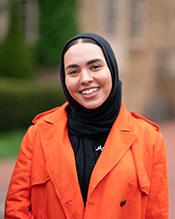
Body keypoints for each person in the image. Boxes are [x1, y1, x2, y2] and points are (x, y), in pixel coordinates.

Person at [5, 33, 168, 219]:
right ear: (64, 79)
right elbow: (16, 210)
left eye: (95, 67)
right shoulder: (38, 134)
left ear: (112, 70)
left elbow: (156, 214)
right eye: (73, 71)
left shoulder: (149, 139)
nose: (85, 78)